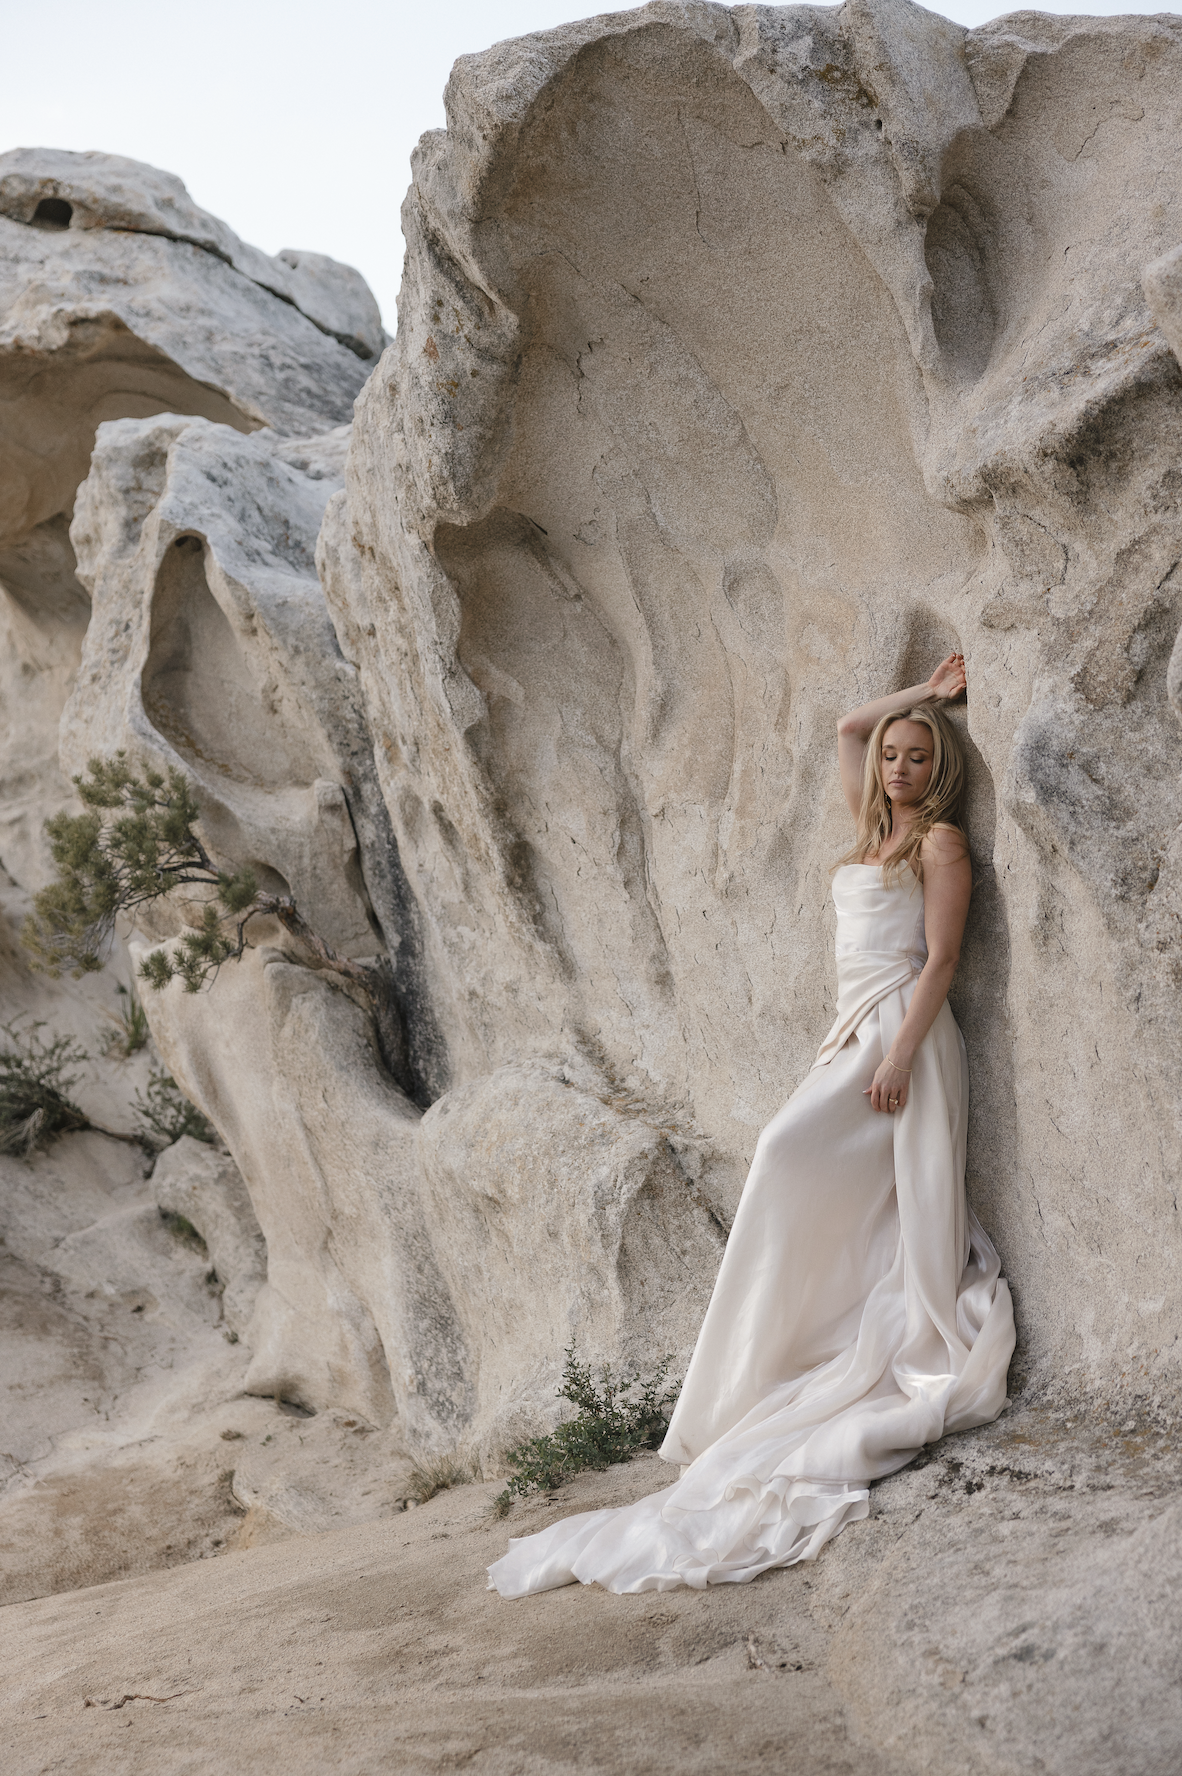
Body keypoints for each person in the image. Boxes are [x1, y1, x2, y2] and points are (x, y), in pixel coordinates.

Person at [488, 655, 1015, 1597]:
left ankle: (843, 1344)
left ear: (940, 771)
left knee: (782, 1152)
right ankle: (789, 1355)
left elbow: (940, 961)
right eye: (893, 756)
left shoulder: (940, 845)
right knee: (818, 1179)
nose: (898, 767)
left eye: (917, 757)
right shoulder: (872, 830)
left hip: (901, 1034)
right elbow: (847, 727)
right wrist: (925, 696)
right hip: (850, 1034)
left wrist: (899, 1058)